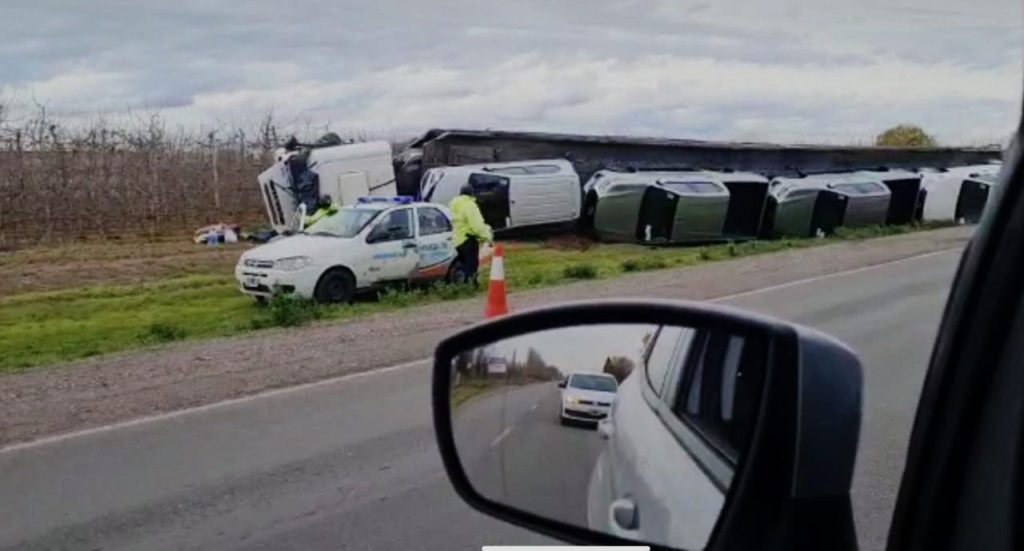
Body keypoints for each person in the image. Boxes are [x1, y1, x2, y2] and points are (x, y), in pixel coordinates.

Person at [449, 184, 493, 285]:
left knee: (463, 264)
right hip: (468, 239)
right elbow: (476, 225)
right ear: (471, 194)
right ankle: (470, 286)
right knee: (471, 265)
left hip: (457, 239)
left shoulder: (454, 205)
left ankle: (463, 285)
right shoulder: (470, 205)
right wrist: (487, 236)